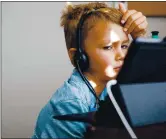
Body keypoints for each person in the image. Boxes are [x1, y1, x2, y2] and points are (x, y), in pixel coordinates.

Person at [32, 2, 148, 138]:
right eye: (108, 47)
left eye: (124, 46)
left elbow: (152, 84)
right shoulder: (70, 103)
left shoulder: (110, 85)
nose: (122, 56)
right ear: (79, 56)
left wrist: (140, 37)